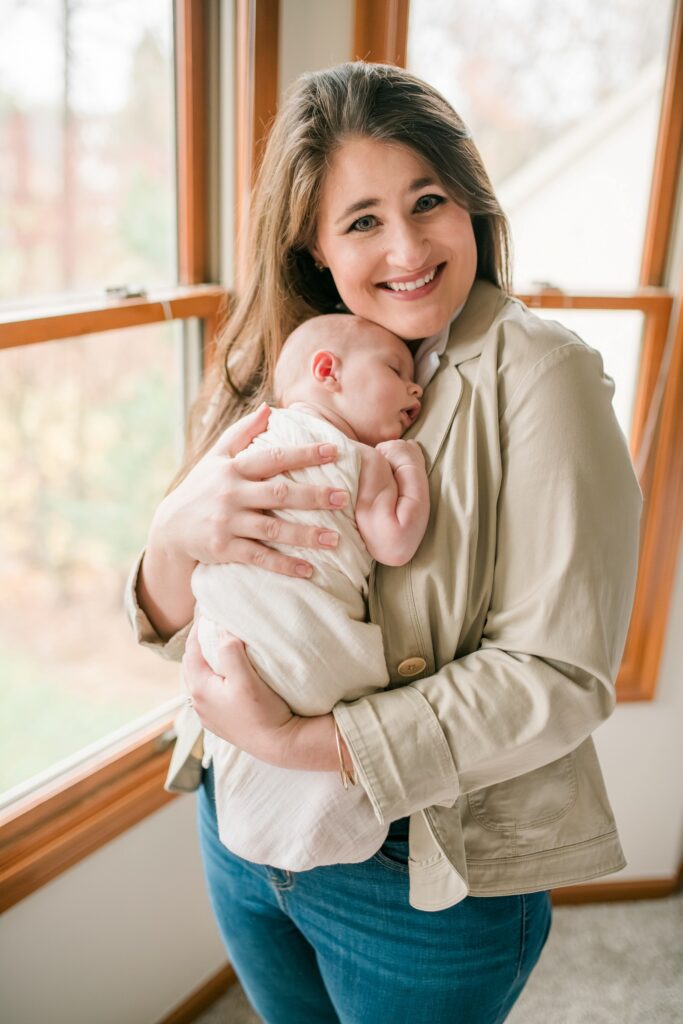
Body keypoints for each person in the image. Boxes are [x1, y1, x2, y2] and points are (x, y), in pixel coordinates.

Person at [127, 61, 642, 1024]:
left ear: (472, 203)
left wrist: (298, 741)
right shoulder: (292, 355)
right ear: (314, 245)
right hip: (238, 814)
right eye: (362, 220)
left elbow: (559, 675)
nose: (406, 248)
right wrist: (169, 536)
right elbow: (184, 608)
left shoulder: (543, 376)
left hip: (416, 875)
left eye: (428, 200)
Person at [193, 313, 428, 871]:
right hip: (302, 645)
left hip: (226, 636)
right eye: (396, 370)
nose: (415, 388)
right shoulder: (362, 459)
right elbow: (396, 544)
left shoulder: (252, 441)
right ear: (328, 371)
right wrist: (410, 466)